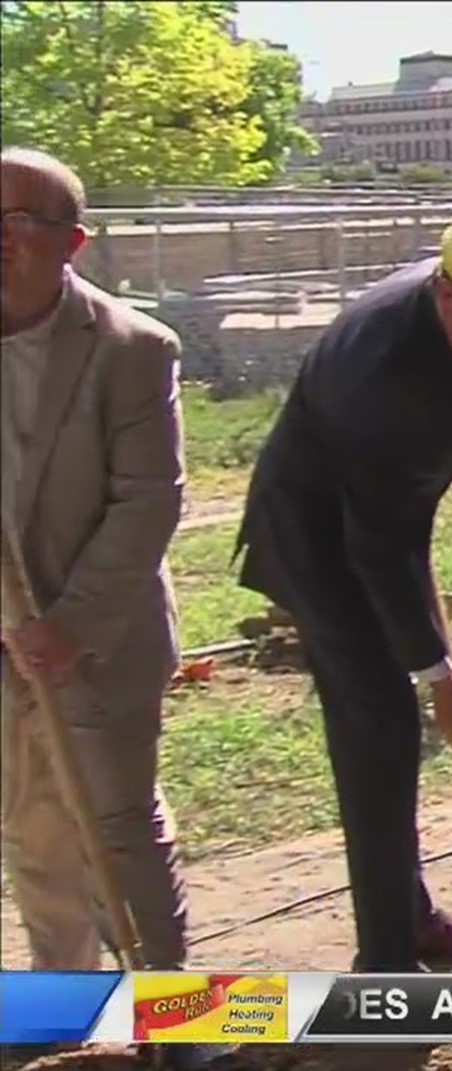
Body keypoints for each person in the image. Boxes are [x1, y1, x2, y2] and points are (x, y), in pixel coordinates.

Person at [235, 198, 452, 972]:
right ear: (450, 293)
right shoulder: (393, 381)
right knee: (378, 731)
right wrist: (436, 671)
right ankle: (386, 958)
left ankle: (406, 918)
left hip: (371, 518)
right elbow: (376, 546)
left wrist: (430, 646)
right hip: (320, 543)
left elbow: (398, 524)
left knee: (391, 729)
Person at [1, 147, 192, 977]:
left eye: (15, 223)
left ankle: (184, 1025)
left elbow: (149, 500)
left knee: (120, 838)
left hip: (99, 642)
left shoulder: (132, 349)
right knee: (30, 831)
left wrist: (70, 625)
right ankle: (65, 1007)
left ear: (71, 242)